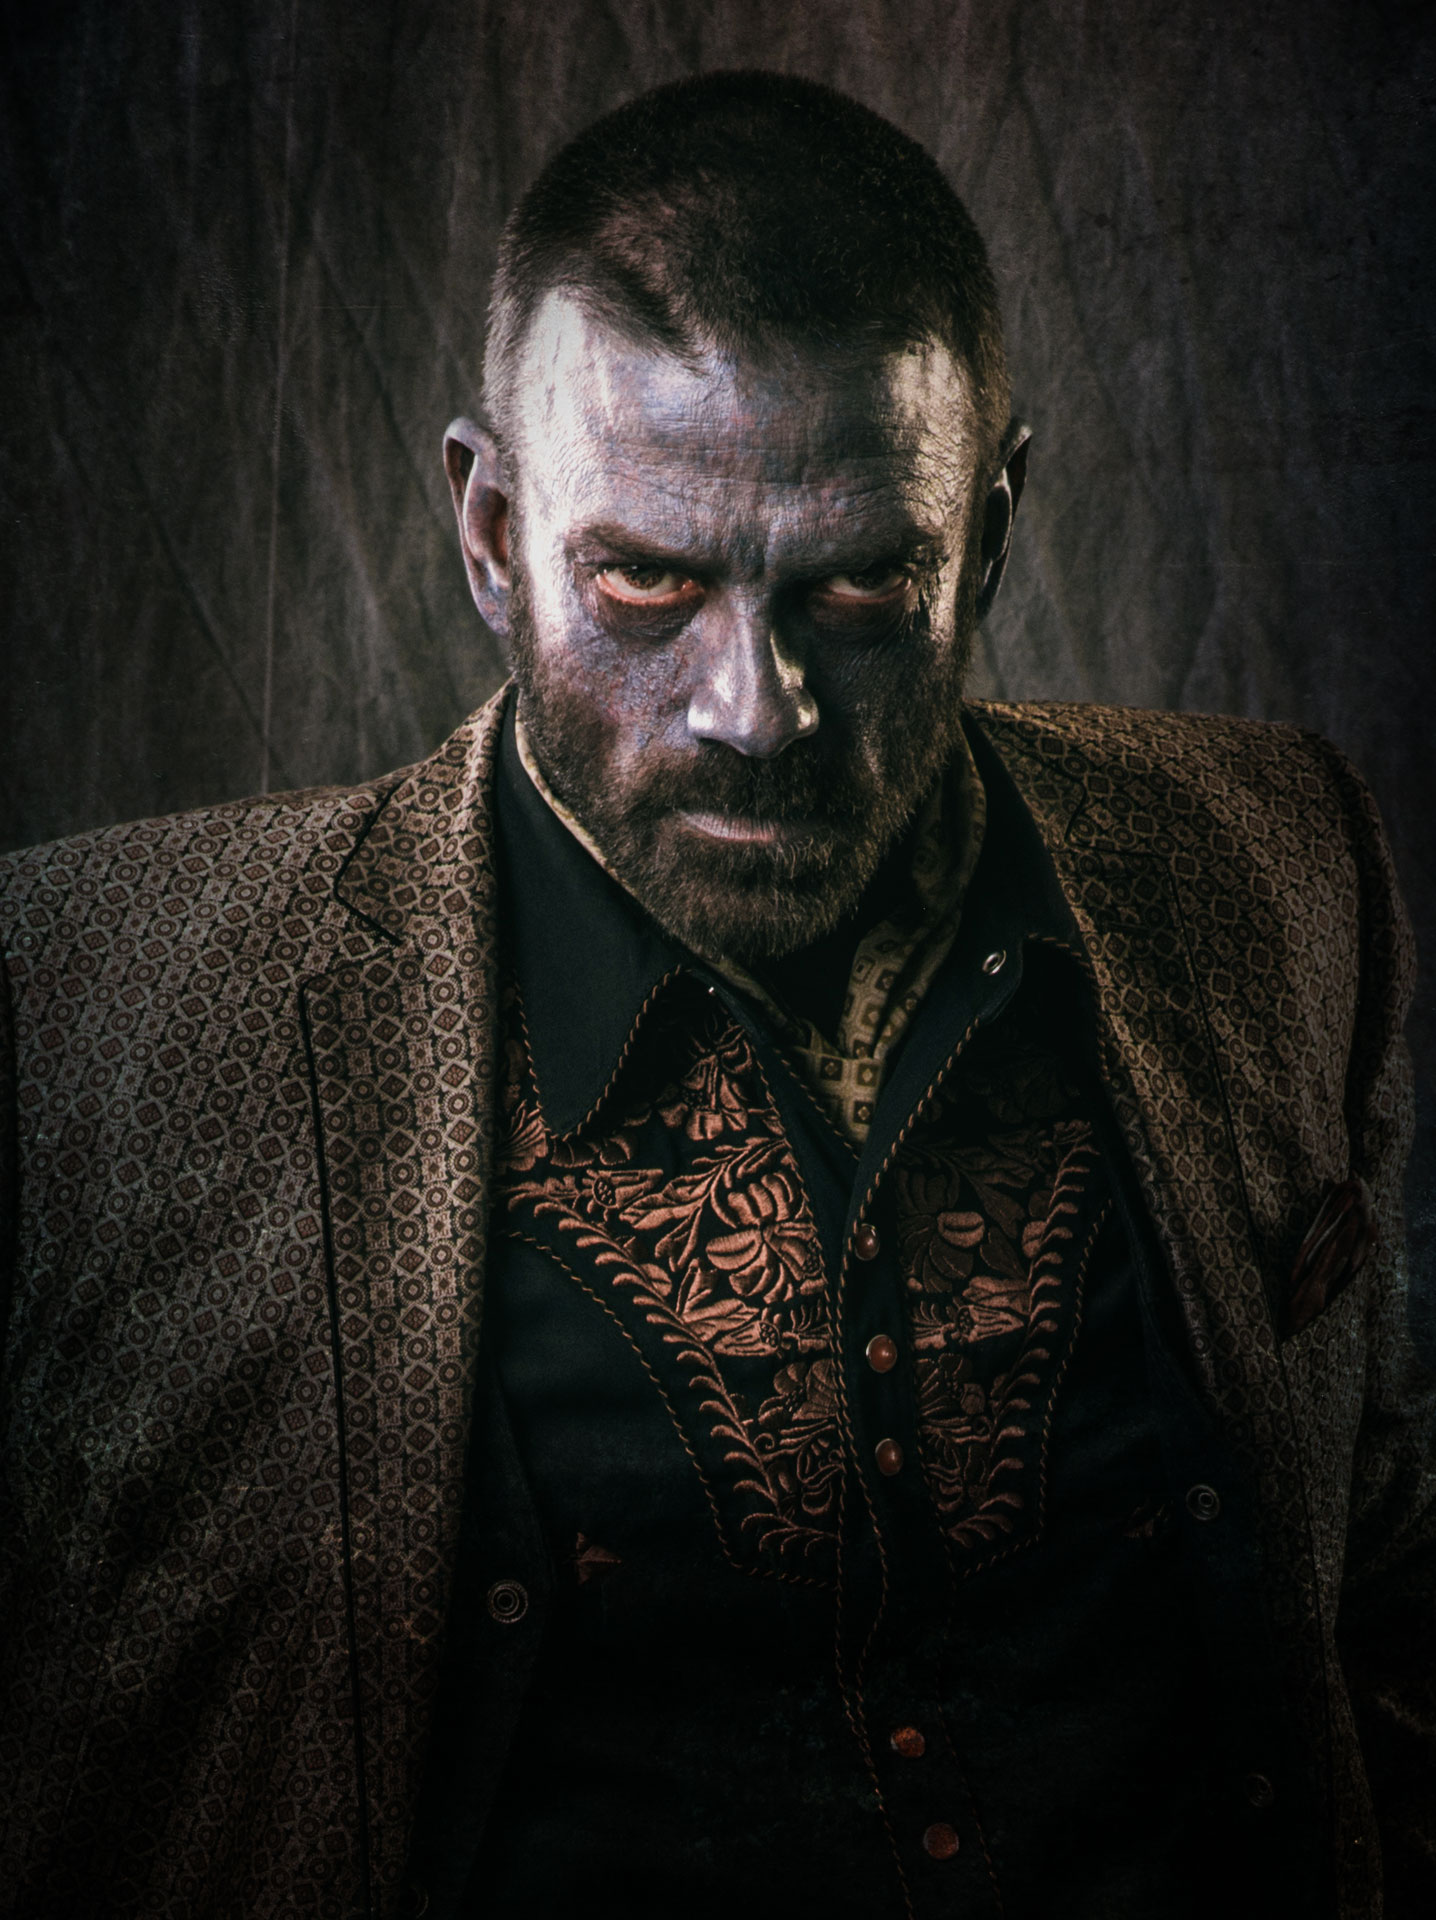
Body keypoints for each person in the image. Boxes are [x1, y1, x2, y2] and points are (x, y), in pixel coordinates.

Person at [0, 69, 1429, 1920]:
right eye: (649, 581)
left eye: (859, 586)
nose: (755, 710)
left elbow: (1382, 1562)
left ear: (992, 529)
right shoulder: (78, 1008)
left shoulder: (1281, 860)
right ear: (490, 529)